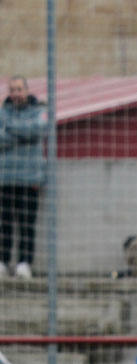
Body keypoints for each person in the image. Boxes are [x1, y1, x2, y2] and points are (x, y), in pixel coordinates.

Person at [0, 75, 47, 279]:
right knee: (5, 224)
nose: (16, 94)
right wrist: (24, 135)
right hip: (5, 178)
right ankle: (2, 262)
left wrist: (10, 128)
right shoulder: (3, 112)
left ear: (26, 90)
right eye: (13, 90)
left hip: (30, 179)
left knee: (27, 223)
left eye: (19, 89)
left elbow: (37, 130)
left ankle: (24, 263)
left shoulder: (39, 111)